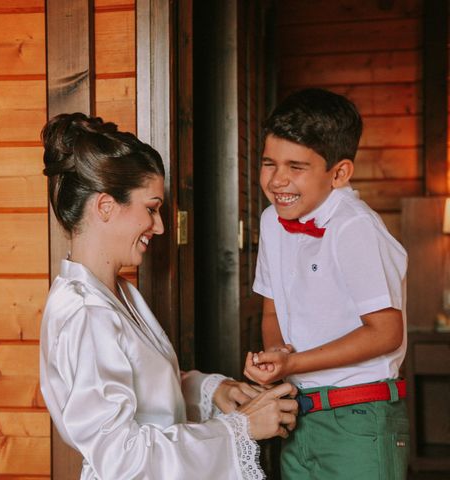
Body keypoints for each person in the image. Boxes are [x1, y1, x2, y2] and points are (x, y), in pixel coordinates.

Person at [39, 112, 298, 480]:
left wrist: (213, 391)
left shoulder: (118, 293)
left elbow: (141, 387)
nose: (159, 226)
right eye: (151, 208)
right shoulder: (86, 313)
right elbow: (122, 459)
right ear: (106, 206)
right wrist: (239, 428)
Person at [244, 88, 409, 479]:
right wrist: (275, 355)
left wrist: (293, 362)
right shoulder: (271, 221)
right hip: (300, 412)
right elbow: (272, 307)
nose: (278, 180)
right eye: (270, 163)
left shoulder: (355, 226)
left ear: (339, 173)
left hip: (360, 417)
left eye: (296, 167)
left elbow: (386, 332)